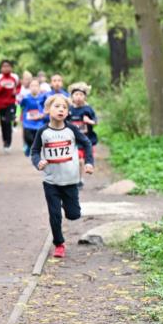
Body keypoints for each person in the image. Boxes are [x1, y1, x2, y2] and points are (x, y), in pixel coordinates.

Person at [27, 94, 94, 259]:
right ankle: (59, 243)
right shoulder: (43, 132)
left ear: (67, 112)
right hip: (51, 181)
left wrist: (89, 162)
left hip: (71, 180)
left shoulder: (71, 129)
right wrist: (38, 162)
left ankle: (67, 205)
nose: (61, 110)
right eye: (57, 106)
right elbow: (34, 151)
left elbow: (86, 143)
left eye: (64, 107)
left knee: (73, 215)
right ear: (48, 110)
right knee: (55, 215)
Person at [0, 59, 20, 152]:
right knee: (4, 124)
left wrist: (16, 92)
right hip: (1, 105)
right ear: (1, 68)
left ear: (11, 67)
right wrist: (2, 86)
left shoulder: (15, 77)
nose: (6, 68)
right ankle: (5, 141)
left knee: (8, 122)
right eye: (4, 66)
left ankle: (9, 143)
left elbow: (19, 87)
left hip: (11, 103)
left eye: (8, 66)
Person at [67, 82, 98, 158]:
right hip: (74, 140)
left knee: (87, 160)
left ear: (85, 97)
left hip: (87, 138)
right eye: (76, 94)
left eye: (81, 95)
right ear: (72, 97)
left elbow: (96, 122)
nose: (78, 97)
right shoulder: (69, 109)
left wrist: (89, 121)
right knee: (77, 159)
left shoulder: (88, 109)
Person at [19, 78, 47, 157]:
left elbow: (46, 107)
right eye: (32, 86)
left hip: (38, 122)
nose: (34, 87)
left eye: (36, 86)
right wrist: (18, 116)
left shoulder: (43, 98)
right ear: (29, 87)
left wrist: (44, 114)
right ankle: (29, 146)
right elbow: (20, 107)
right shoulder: (25, 98)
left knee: (36, 139)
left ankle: (34, 152)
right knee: (28, 138)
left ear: (39, 88)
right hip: (28, 123)